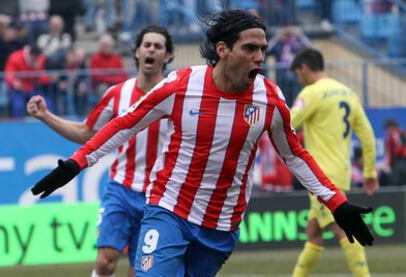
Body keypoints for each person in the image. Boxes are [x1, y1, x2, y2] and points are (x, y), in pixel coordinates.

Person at [30, 9, 374, 277]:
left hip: (221, 225)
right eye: (250, 48)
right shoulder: (181, 86)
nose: (260, 57)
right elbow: (124, 125)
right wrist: (77, 163)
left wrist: (337, 204)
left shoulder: (269, 98)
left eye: (263, 50)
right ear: (223, 50)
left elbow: (294, 155)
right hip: (169, 210)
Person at [27, 25, 174, 277]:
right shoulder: (117, 94)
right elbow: (87, 133)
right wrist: (45, 116)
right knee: (105, 260)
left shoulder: (174, 95)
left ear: (168, 56)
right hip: (121, 189)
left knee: (141, 271)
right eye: (146, 45)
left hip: (158, 196)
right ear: (136, 52)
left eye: (158, 46)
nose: (151, 49)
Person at [289, 48, 379, 277]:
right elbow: (367, 135)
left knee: (340, 227)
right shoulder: (349, 93)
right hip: (341, 172)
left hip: (321, 176)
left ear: (304, 69)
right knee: (313, 232)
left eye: (298, 75)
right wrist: (369, 171)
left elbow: (287, 122)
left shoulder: (312, 93)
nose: (299, 81)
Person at [384, 118, 406, 186]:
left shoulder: (398, 135)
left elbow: (400, 149)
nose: (387, 131)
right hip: (395, 164)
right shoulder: (390, 137)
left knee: (396, 181)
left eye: (388, 128)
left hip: (401, 162)